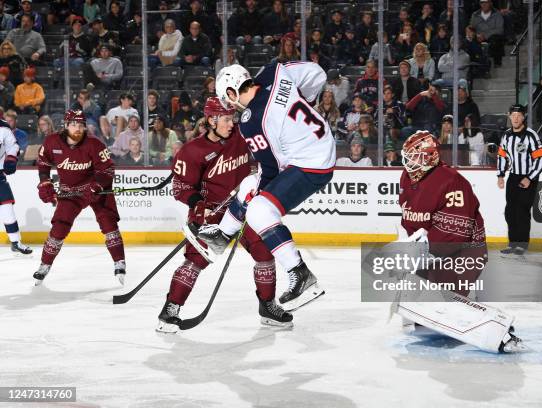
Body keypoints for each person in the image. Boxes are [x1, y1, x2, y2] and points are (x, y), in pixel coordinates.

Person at [194, 62, 336, 311]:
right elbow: (317, 72)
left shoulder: (252, 121)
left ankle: (301, 274)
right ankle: (223, 235)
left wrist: (253, 201)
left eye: (228, 101)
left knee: (259, 210)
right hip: (320, 142)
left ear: (231, 93)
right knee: (250, 184)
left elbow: (271, 170)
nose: (231, 107)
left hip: (313, 163)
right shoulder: (274, 71)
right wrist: (303, 99)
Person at [157, 97, 292, 333]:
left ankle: (268, 306)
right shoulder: (192, 151)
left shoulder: (241, 136)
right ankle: (170, 310)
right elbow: (181, 188)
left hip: (244, 208)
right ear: (211, 120)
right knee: (195, 262)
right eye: (227, 119)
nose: (232, 124)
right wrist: (199, 204)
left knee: (264, 252)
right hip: (211, 214)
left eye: (233, 118)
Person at [395, 130, 523, 353]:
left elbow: (455, 235)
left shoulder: (452, 182)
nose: (409, 163)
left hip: (464, 251)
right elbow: (409, 219)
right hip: (430, 250)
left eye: (414, 158)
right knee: (420, 305)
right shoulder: (408, 177)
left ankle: (498, 331)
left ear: (430, 158)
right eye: (407, 157)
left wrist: (421, 254)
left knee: (442, 300)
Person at [34, 109, 126, 285]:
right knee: (59, 228)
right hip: (70, 191)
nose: (77, 128)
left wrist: (96, 186)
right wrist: (44, 182)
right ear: (66, 125)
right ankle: (44, 264)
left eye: (81, 125)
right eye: (73, 124)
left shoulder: (94, 144)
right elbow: (43, 163)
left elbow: (107, 169)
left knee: (108, 224)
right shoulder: (52, 142)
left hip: (96, 189)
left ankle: (119, 262)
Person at [496, 104, 542, 255]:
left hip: (528, 178)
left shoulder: (531, 135)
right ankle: (512, 243)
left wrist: (529, 178)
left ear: (524, 117)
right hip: (513, 176)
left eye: (519, 115)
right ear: (509, 116)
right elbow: (502, 156)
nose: (516, 118)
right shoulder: (506, 135)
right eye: (513, 115)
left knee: (522, 211)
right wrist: (500, 175)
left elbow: (541, 159)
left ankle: (522, 245)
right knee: (510, 211)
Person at [0, 116, 32, 255]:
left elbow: (13, 145)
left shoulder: (3, 127)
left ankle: (15, 242)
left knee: (7, 206)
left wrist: (11, 159)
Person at [470, 0, 505, 67]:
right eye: (482, 2)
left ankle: (497, 63)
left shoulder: (497, 14)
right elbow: (471, 28)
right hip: (478, 37)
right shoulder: (475, 15)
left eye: (486, 2)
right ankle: (475, 64)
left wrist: (485, 36)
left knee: (496, 39)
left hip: (492, 37)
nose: (484, 4)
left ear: (490, 3)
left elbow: (500, 29)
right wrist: (476, 35)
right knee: (469, 40)